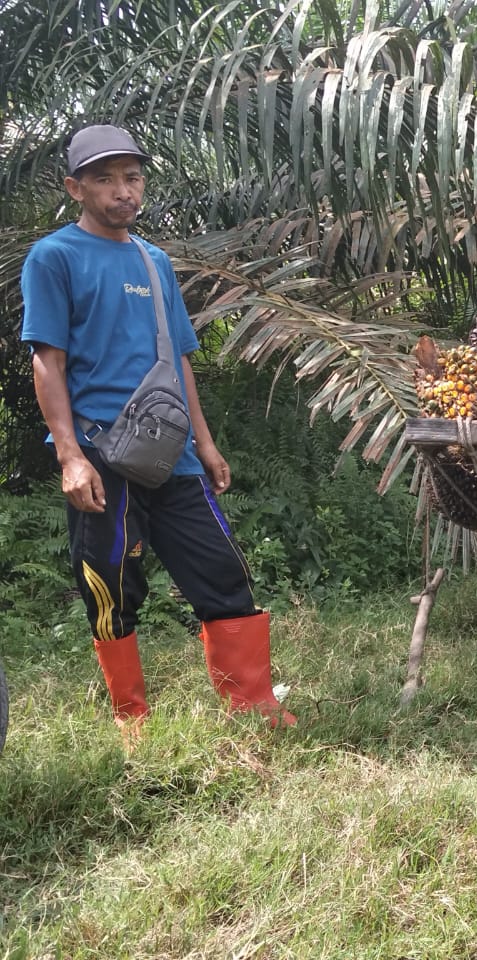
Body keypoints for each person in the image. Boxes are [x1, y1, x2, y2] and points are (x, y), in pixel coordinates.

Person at [20, 124, 295, 743]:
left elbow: (179, 361)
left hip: (170, 452)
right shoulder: (55, 257)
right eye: (106, 179)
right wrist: (69, 456)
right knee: (112, 584)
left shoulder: (155, 260)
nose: (124, 190)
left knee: (222, 569)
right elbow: (48, 362)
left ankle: (253, 705)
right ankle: (132, 723)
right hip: (99, 450)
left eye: (133, 177)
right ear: (76, 188)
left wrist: (205, 442)